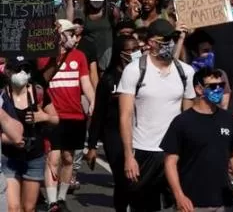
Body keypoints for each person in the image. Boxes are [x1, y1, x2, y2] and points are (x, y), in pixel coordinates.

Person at [117, 19, 196, 212]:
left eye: (173, 39)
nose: (170, 43)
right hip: (143, 150)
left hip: (174, 152)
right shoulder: (134, 70)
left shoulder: (186, 72)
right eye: (165, 39)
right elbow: (125, 116)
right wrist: (129, 156)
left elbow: (188, 116)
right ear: (151, 42)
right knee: (143, 206)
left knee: (180, 204)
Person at [161, 67, 233, 212]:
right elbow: (170, 162)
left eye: (222, 86)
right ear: (199, 89)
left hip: (224, 202)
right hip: (192, 203)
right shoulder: (182, 122)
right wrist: (179, 196)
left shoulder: (228, 119)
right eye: (213, 86)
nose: (219, 90)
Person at [37, 20, 95, 212]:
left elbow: (85, 83)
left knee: (69, 158)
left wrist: (93, 101)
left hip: (75, 115)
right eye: (67, 33)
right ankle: (51, 201)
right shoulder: (45, 56)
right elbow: (44, 78)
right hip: (53, 114)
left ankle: (61, 198)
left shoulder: (79, 56)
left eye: (73, 34)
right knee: (53, 158)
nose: (72, 37)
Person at [85, 34, 139, 212]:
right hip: (113, 135)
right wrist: (92, 146)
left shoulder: (142, 75)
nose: (135, 54)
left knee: (138, 180)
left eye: (137, 49)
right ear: (120, 53)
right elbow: (98, 114)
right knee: (123, 179)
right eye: (131, 50)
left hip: (138, 133)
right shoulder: (108, 79)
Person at [1, 57, 58, 212]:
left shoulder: (38, 92)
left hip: (34, 157)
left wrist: (44, 117)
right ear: (8, 72)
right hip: (9, 158)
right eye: (18, 70)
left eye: (26, 69)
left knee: (29, 207)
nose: (22, 73)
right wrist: (10, 139)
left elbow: (55, 119)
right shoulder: (2, 96)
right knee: (13, 208)